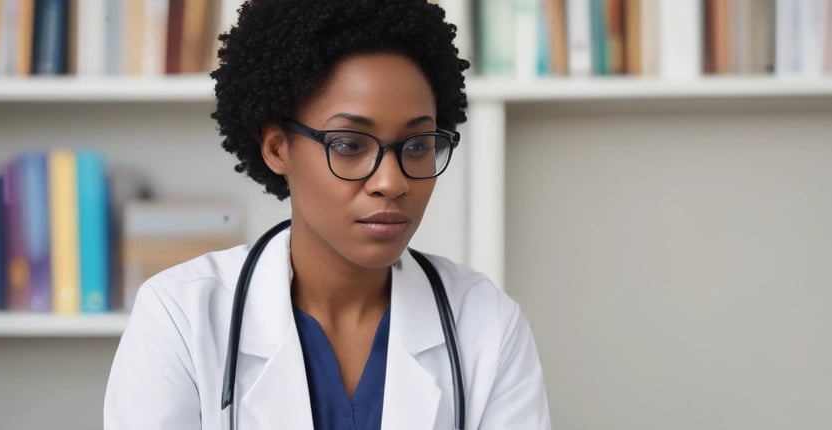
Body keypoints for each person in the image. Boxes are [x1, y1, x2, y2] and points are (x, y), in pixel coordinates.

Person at [103, 0, 551, 429]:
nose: (391, 182)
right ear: (278, 148)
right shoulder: (180, 318)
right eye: (350, 145)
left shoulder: (486, 324)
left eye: (417, 146)